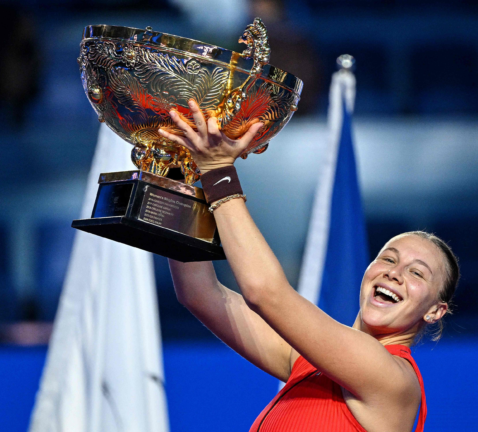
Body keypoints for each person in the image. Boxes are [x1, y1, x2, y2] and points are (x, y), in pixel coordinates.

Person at [159, 100, 460, 432]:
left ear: (435, 311)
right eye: (388, 258)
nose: (394, 272)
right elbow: (199, 293)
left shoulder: (393, 378)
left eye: (417, 272)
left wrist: (218, 171)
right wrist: (181, 176)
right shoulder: (304, 363)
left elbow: (264, 292)